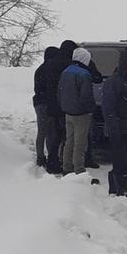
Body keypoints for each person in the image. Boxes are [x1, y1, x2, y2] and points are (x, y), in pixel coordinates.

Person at [102, 49, 127, 197]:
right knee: (120, 159)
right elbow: (109, 107)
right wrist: (114, 128)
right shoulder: (114, 82)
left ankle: (119, 186)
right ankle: (118, 187)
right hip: (118, 128)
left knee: (125, 158)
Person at [58, 47, 96, 176]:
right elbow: (87, 95)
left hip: (68, 112)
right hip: (81, 114)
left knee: (69, 140)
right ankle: (79, 168)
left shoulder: (65, 72)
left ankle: (66, 166)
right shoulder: (84, 74)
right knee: (80, 142)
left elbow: (60, 91)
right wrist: (90, 109)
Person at [43, 40, 78, 173]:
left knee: (55, 135)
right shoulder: (69, 65)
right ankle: (63, 162)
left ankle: (52, 162)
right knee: (67, 136)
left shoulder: (51, 64)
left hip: (52, 104)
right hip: (65, 104)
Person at [32, 46, 59, 167]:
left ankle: (40, 157)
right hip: (46, 103)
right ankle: (47, 156)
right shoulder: (50, 69)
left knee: (42, 131)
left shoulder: (39, 70)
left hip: (39, 102)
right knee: (49, 132)